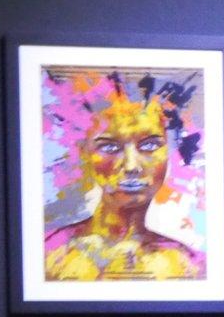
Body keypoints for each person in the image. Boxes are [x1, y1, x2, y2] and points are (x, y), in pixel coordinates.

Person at [44, 74, 205, 282]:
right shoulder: (49, 254)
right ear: (85, 153)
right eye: (109, 147)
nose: (131, 166)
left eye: (149, 145)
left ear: (169, 151)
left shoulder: (190, 266)